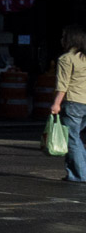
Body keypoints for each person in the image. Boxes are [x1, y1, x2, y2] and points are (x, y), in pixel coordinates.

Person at [50, 25, 86, 184]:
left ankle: (80, 174)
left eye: (63, 36)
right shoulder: (84, 57)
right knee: (76, 137)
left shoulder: (66, 59)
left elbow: (62, 84)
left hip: (74, 102)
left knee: (72, 139)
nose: (61, 39)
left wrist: (56, 104)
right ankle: (75, 172)